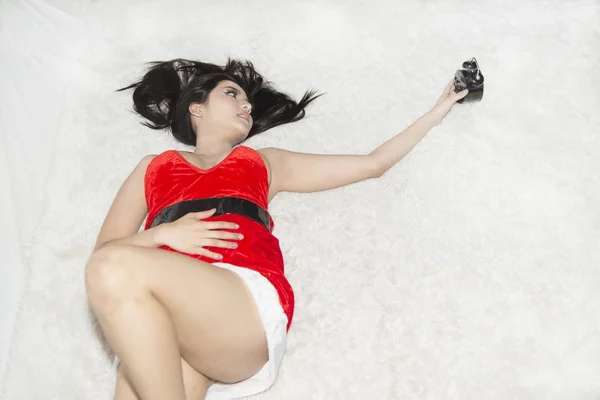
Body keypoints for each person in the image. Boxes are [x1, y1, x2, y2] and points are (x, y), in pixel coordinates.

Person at [84, 58, 468, 400]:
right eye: (232, 94)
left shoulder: (262, 162)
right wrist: (161, 235)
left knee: (110, 270)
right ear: (196, 108)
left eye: (247, 101)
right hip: (172, 320)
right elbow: (107, 247)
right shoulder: (153, 167)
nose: (246, 105)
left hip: (241, 306)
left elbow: (373, 163)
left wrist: (439, 109)